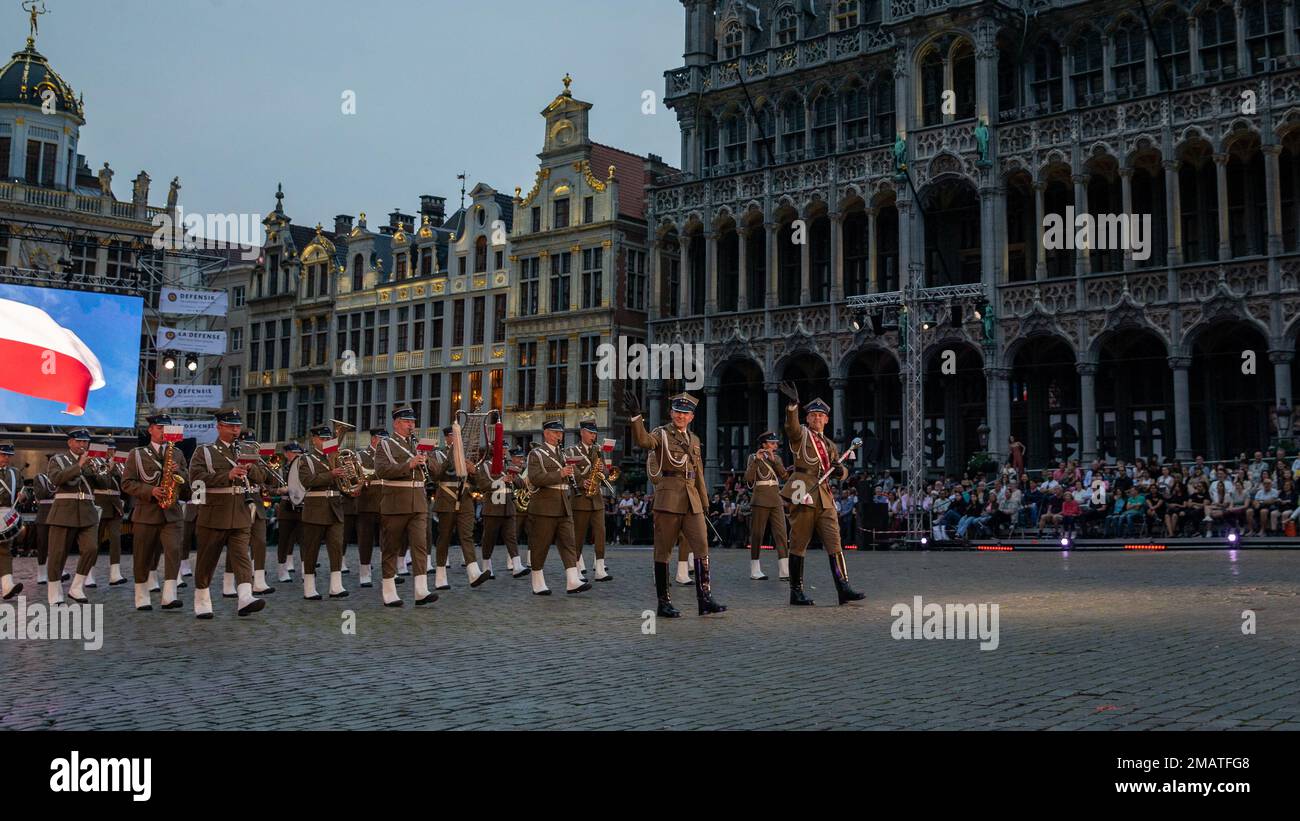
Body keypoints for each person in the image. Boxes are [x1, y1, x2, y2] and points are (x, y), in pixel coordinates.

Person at [624, 390, 724, 618]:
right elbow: (644, 441)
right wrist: (636, 416)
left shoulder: (695, 440)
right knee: (664, 550)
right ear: (671, 413)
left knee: (702, 546)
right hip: (668, 497)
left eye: (685, 413)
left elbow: (697, 473)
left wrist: (705, 501)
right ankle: (663, 602)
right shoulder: (661, 434)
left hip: (692, 500)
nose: (680, 416)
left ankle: (704, 598)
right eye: (677, 411)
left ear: (692, 417)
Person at [778, 381, 864, 606]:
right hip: (803, 491)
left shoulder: (829, 445)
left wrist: (840, 471)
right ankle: (796, 591)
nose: (816, 419)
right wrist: (792, 406)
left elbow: (841, 470)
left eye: (820, 416)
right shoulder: (801, 435)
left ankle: (843, 587)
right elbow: (791, 427)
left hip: (824, 497)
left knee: (834, 542)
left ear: (827, 419)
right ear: (807, 418)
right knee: (798, 543)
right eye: (813, 415)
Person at [188, 409, 273, 618]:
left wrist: (250, 469)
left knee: (242, 556)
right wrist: (227, 475)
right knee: (207, 560)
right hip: (214, 513)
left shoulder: (246, 450)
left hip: (241, 512)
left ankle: (245, 597)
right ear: (219, 427)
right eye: (230, 426)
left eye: (237, 425)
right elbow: (196, 480)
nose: (236, 430)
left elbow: (263, 477)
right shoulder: (205, 451)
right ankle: (202, 600)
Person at [121, 415, 189, 611]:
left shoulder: (177, 453)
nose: (163, 432)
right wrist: (149, 491)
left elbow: (187, 480)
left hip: (172, 512)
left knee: (174, 550)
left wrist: (180, 474)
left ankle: (169, 595)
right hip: (147, 512)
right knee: (143, 555)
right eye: (160, 428)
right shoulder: (137, 453)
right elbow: (127, 483)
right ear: (150, 429)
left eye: (166, 429)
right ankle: (141, 595)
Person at [373, 406, 437, 607]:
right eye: (407, 422)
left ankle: (421, 590)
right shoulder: (386, 445)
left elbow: (436, 470)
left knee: (420, 545)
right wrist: (408, 465)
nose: (411, 425)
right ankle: (389, 591)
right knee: (391, 547)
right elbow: (381, 470)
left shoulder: (418, 445)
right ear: (396, 423)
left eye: (413, 422)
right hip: (395, 503)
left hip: (418, 501)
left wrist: (428, 459)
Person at [524, 420, 590, 596]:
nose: (559, 436)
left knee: (569, 543)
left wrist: (584, 483)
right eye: (555, 433)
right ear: (546, 433)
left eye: (560, 433)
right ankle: (537, 582)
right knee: (541, 545)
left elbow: (574, 475)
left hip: (564, 504)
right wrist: (559, 474)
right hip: (544, 506)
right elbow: (535, 478)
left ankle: (572, 580)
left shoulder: (564, 454)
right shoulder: (536, 454)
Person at [291, 425, 351, 600]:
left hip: (336, 507)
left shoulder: (337, 457)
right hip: (315, 507)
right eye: (323, 438)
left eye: (328, 438)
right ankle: (309, 587)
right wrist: (331, 474)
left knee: (336, 547)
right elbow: (307, 480)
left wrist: (352, 487)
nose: (326, 441)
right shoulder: (306, 460)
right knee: (311, 549)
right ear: (314, 440)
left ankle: (336, 585)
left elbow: (345, 482)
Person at [44, 429, 101, 605]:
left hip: (87, 511)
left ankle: (76, 587)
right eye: (79, 441)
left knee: (91, 548)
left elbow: (103, 484)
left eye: (85, 442)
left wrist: (104, 468)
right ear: (70, 442)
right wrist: (79, 466)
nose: (82, 445)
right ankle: (54, 592)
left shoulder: (92, 461)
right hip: (63, 511)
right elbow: (56, 479)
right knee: (57, 554)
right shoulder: (58, 460)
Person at [430, 425, 489, 590]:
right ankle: (440, 576)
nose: (456, 440)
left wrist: (473, 470)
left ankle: (473, 573)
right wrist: (451, 458)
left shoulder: (468, 456)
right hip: (447, 499)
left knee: (467, 536)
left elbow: (482, 484)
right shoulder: (437, 455)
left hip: (465, 499)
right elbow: (436, 476)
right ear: (447, 438)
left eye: (457, 437)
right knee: (444, 538)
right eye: (452, 436)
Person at [569, 419, 613, 582]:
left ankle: (600, 568)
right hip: (580, 500)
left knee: (601, 533)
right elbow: (569, 473)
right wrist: (581, 482)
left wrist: (604, 471)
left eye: (595, 433)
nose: (593, 436)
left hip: (597, 499)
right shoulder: (572, 451)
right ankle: (576, 568)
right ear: (582, 433)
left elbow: (607, 475)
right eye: (590, 433)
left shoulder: (599, 450)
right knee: (578, 536)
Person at [476, 446, 529, 579]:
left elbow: (521, 484)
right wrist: (501, 480)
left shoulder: (508, 466)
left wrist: (513, 477)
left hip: (508, 506)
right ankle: (487, 567)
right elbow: (483, 485)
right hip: (493, 507)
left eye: (505, 450)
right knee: (489, 538)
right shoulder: (486, 466)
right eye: (502, 450)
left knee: (511, 537)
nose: (504, 452)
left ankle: (517, 566)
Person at [744, 431, 789, 580]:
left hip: (776, 499)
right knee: (757, 534)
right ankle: (754, 570)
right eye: (772, 443)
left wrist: (774, 461)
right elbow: (748, 478)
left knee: (781, 534)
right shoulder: (753, 458)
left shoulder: (776, 458)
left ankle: (784, 570)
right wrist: (757, 460)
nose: (775, 446)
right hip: (760, 499)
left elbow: (784, 476)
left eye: (775, 443)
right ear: (763, 444)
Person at [0, 441, 26, 600]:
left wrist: (22, 497)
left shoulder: (15, 473)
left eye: (8, 455)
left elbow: (22, 492)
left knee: (4, 550)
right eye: (3, 455)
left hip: (6, 515)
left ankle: (7, 585)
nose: (6, 458)